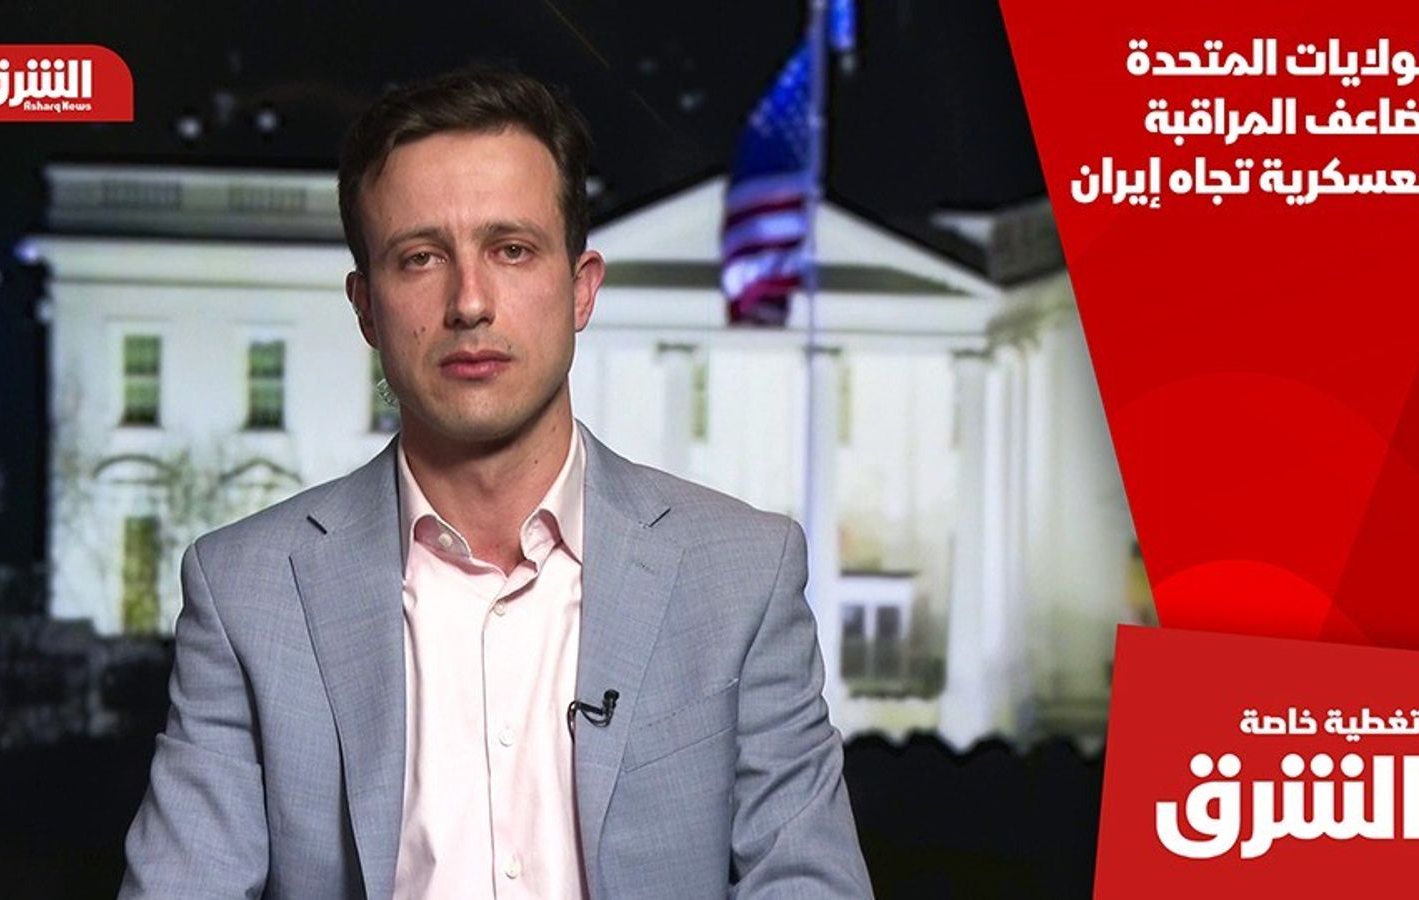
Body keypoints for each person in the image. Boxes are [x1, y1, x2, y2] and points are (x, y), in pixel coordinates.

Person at [120, 67, 872, 900]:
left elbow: (809, 884)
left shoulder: (743, 574)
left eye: (511, 250)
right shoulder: (245, 592)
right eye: (420, 258)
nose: (470, 302)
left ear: (581, 289)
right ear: (366, 307)